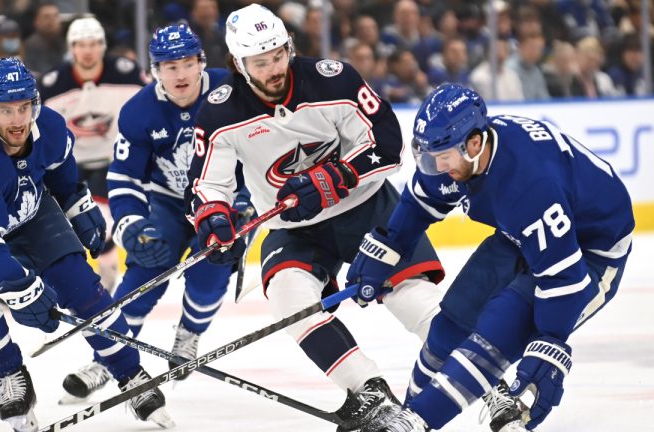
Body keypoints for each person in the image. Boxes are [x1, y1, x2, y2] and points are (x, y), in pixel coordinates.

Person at [186, 4, 446, 431]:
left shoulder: (334, 79)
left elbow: (388, 143)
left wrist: (337, 175)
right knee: (291, 301)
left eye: (278, 55)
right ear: (237, 64)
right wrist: (214, 219)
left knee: (410, 297)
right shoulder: (219, 111)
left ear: (289, 47)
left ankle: (485, 382)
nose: (273, 69)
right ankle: (369, 391)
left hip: (365, 208)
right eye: (259, 61)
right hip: (293, 226)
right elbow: (207, 185)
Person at [346, 83, 634, 431]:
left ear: (475, 144)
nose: (436, 167)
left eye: (444, 156)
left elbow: (564, 279)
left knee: (499, 330)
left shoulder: (530, 184)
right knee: (449, 327)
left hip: (589, 253)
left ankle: (415, 422)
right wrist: (388, 246)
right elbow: (421, 202)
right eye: (430, 156)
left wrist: (551, 343)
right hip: (520, 234)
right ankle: (411, 414)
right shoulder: (454, 153)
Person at [0, 57, 173, 432]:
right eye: (5, 110)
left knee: (80, 284)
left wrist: (78, 207)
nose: (18, 120)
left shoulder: (49, 125)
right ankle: (9, 375)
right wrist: (19, 288)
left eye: (24, 107)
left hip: (25, 204)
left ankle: (130, 373)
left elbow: (61, 174)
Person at [59, 23, 252, 400]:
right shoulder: (138, 111)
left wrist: (248, 199)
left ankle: (189, 333)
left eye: (186, 63)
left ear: (201, 62)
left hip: (226, 200)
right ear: (155, 70)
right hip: (168, 200)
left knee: (211, 266)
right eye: (168, 66)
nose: (179, 74)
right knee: (148, 262)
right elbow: (124, 175)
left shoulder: (232, 93)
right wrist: (131, 223)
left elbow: (262, 149)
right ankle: (109, 356)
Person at [40, 17, 144, 291]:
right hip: (69, 163)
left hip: (114, 159)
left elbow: (153, 106)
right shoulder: (52, 83)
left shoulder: (127, 73)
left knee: (99, 211)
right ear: (71, 48)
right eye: (81, 45)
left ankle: (107, 260)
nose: (88, 51)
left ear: (103, 46)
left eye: (94, 44)